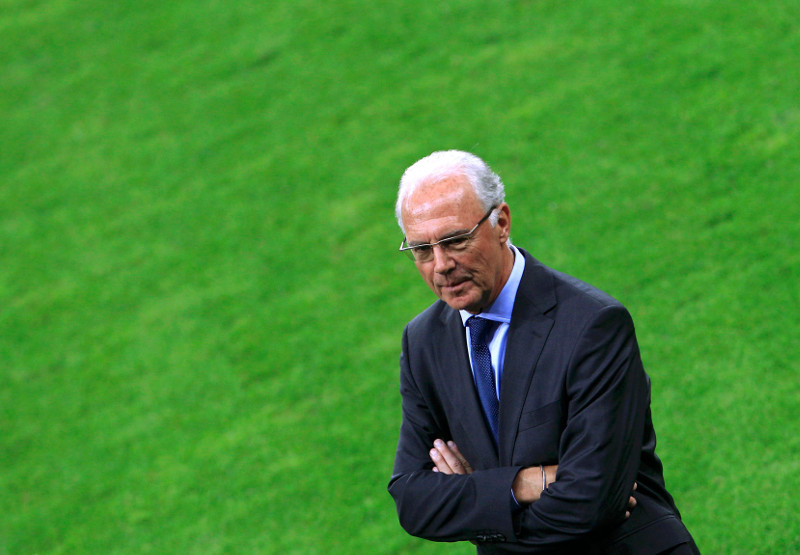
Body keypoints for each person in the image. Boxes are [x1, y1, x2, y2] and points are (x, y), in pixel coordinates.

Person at [387, 150, 699, 554]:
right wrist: (522, 484)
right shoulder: (423, 342)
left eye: (455, 240)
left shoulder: (593, 325)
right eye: (422, 250)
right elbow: (414, 501)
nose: (441, 265)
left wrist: (475, 500)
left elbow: (592, 501)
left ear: (502, 223)